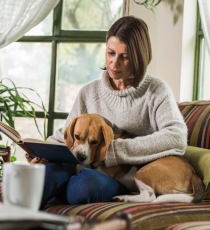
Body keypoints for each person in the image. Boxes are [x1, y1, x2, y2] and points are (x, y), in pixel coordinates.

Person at [25, 16, 187, 208]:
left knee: (88, 185)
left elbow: (176, 138)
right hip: (80, 164)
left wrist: (113, 152)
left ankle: (61, 190)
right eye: (110, 53)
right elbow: (65, 135)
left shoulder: (156, 90)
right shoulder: (89, 92)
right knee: (45, 173)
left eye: (124, 57)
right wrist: (42, 153)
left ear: (138, 57)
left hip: (120, 177)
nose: (114, 63)